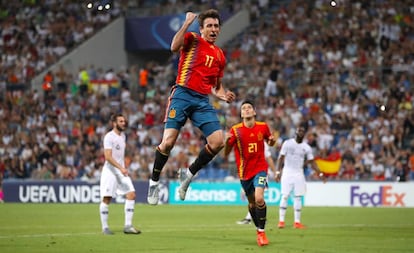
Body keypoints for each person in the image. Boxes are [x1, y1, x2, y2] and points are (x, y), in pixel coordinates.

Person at [147, 9, 236, 205]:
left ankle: (187, 175)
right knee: (168, 142)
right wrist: (187, 23)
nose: (213, 29)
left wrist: (223, 95)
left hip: (202, 100)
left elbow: (215, 86)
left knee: (218, 141)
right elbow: (173, 47)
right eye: (209, 26)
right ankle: (154, 182)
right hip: (182, 94)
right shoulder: (192, 39)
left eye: (216, 26)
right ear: (202, 28)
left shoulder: (220, 56)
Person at [224, 100, 275, 247]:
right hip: (244, 172)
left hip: (260, 168)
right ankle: (258, 228)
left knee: (259, 198)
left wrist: (272, 141)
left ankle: (261, 232)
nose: (246, 110)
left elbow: (270, 142)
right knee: (252, 203)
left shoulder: (263, 127)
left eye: (249, 108)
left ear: (254, 112)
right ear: (241, 114)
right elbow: (226, 154)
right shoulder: (235, 130)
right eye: (243, 108)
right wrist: (227, 143)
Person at [275, 125, 326, 229]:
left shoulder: (306, 147)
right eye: (299, 131)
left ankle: (297, 222)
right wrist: (277, 172)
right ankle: (281, 221)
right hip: (287, 172)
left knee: (298, 197)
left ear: (304, 134)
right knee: (285, 196)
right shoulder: (287, 143)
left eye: (303, 131)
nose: (300, 133)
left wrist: (320, 173)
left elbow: (312, 162)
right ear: (296, 132)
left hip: (299, 173)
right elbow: (281, 158)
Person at [99, 113, 141, 235]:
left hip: (121, 171)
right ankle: (105, 227)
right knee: (107, 198)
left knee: (131, 194)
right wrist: (121, 167)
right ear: (114, 123)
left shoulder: (123, 136)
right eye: (121, 121)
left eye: (124, 121)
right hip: (110, 171)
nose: (124, 123)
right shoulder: (109, 137)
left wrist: (123, 166)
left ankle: (128, 226)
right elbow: (107, 157)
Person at [236, 142, 276, 225]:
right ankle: (256, 217)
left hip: (259, 172)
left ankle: (252, 218)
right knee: (253, 198)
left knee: (257, 197)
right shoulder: (246, 140)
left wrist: (275, 172)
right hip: (248, 173)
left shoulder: (262, 143)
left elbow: (268, 158)